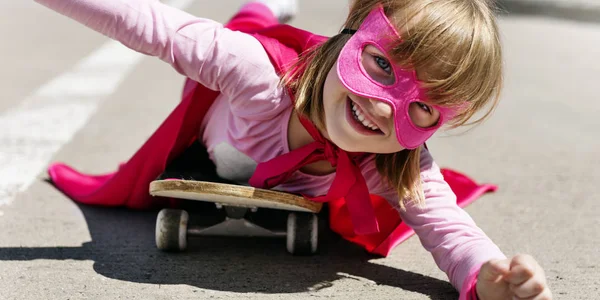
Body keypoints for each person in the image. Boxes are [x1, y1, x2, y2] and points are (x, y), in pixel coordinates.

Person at [34, 0, 552, 298]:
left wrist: (489, 276)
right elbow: (148, 25)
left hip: (272, 174)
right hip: (250, 90)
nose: (380, 107)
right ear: (355, 30)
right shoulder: (254, 74)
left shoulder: (395, 162)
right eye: (381, 65)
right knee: (247, 26)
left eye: (423, 108)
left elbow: (450, 231)